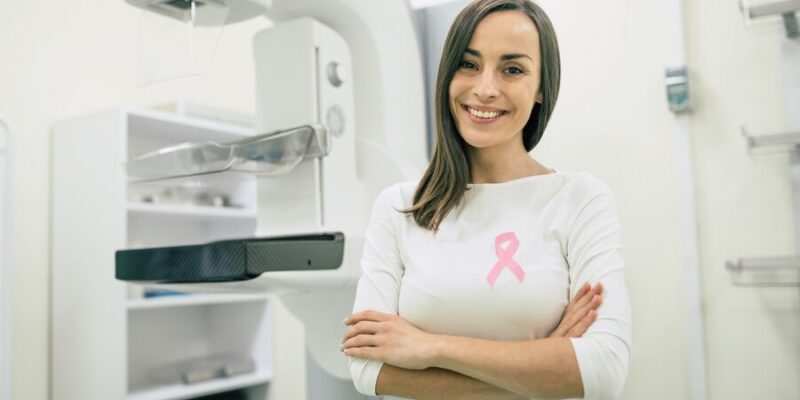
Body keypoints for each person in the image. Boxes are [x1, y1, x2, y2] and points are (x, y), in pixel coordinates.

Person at [342, 0, 632, 398]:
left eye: (512, 69)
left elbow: (603, 370)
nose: (485, 88)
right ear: (448, 75)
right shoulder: (398, 208)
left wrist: (429, 347)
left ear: (542, 88)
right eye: (469, 64)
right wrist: (541, 362)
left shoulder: (579, 200)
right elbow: (366, 368)